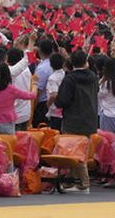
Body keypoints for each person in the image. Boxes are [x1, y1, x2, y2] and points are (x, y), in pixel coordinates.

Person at [55, 50, 99, 194]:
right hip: (89, 119)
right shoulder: (93, 77)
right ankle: (74, 181)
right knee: (82, 151)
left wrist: (56, 99)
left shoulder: (70, 79)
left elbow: (62, 100)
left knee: (74, 152)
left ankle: (83, 183)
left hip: (73, 120)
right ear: (86, 62)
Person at [0, 62, 34, 136]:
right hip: (8, 124)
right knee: (10, 145)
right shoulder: (11, 89)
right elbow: (30, 96)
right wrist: (35, 85)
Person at [99, 57, 115, 135]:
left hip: (108, 115)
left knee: (108, 141)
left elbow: (97, 94)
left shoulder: (106, 84)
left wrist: (103, 78)